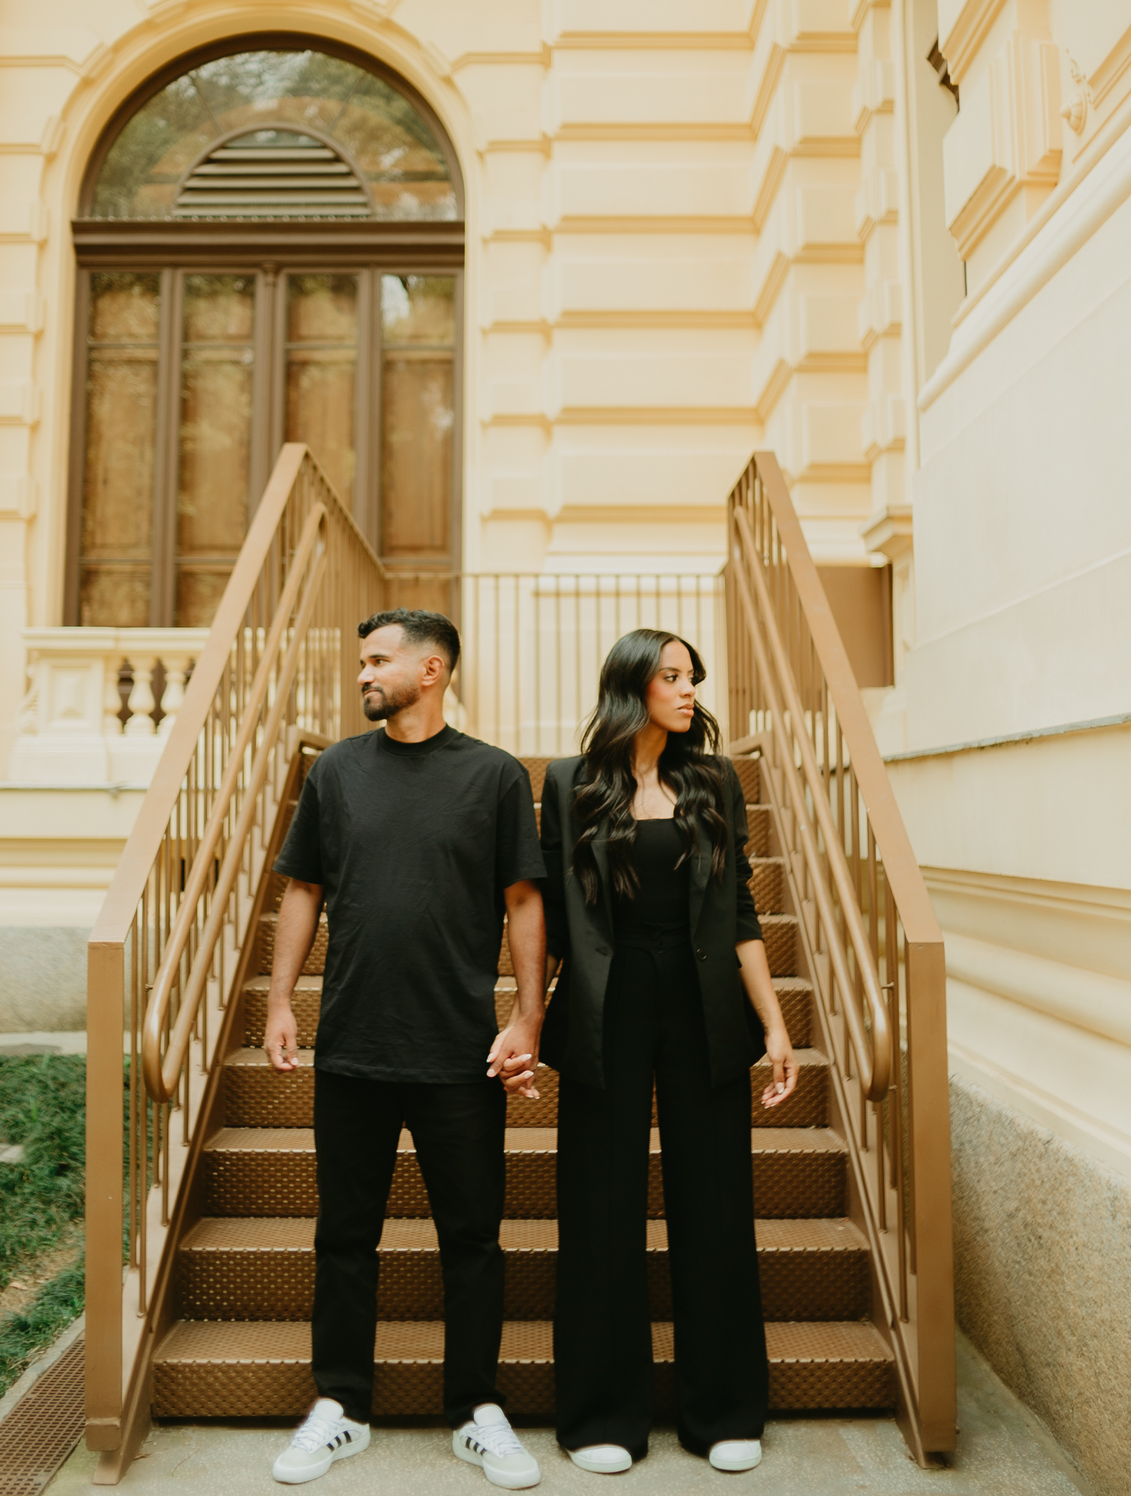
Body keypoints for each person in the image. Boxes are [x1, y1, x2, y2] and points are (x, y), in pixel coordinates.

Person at [264, 608, 548, 1490]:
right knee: (345, 1237)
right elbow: (303, 890)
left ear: (432, 670)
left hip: (459, 1053)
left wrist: (527, 1018)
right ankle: (341, 1406)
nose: (363, 674)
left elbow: (524, 900)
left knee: (473, 1240)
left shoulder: (494, 776)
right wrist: (279, 1001)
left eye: (378, 660)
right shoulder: (336, 771)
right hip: (353, 1046)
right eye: (362, 661)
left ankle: (476, 1410)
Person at [512, 628, 797, 1476]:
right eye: (671, 675)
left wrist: (774, 1025)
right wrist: (527, 1019)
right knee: (600, 1204)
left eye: (691, 676)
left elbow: (739, 912)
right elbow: (549, 918)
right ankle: (602, 1413)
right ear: (631, 685)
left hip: (704, 1001)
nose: (688, 689)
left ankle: (725, 1411)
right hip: (606, 1003)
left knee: (716, 1201)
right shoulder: (570, 782)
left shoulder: (713, 780)